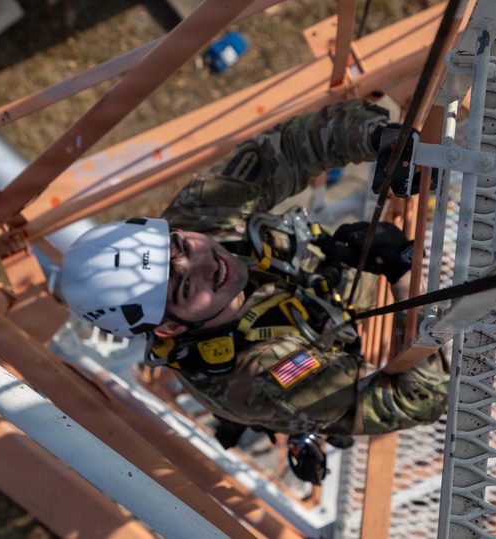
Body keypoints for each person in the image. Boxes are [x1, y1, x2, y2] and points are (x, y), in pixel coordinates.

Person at [58, 99, 449, 457]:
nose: (206, 262)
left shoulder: (196, 217)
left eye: (180, 247)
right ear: (172, 327)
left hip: (329, 294)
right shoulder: (257, 379)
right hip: (337, 350)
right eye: (186, 288)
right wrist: (404, 276)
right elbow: (418, 401)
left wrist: (376, 138)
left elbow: (288, 150)